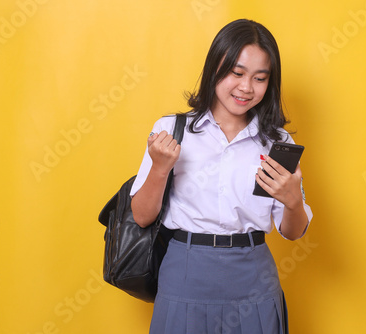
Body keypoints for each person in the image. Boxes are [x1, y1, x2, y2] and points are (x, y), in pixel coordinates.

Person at [130, 18, 313, 334]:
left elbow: (294, 232)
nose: (246, 87)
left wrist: (294, 202)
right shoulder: (171, 131)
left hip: (254, 276)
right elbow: (142, 217)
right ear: (216, 67)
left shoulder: (277, 143)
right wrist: (160, 168)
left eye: (259, 78)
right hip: (185, 273)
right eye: (237, 73)